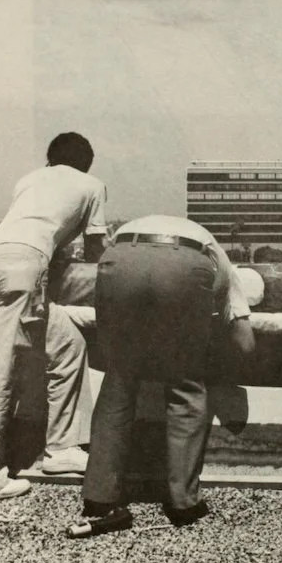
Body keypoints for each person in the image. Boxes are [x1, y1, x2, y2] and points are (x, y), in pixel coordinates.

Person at [70, 215, 255, 537]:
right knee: (186, 386)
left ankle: (100, 502)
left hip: (120, 256)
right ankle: (183, 503)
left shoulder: (186, 230)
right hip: (184, 262)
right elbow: (245, 343)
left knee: (119, 382)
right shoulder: (227, 271)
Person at [0, 132, 108, 504]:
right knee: (3, 370)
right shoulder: (91, 185)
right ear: (86, 163)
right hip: (25, 267)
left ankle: (61, 450)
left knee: (67, 344)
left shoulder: (28, 180)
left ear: (51, 159)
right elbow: (95, 250)